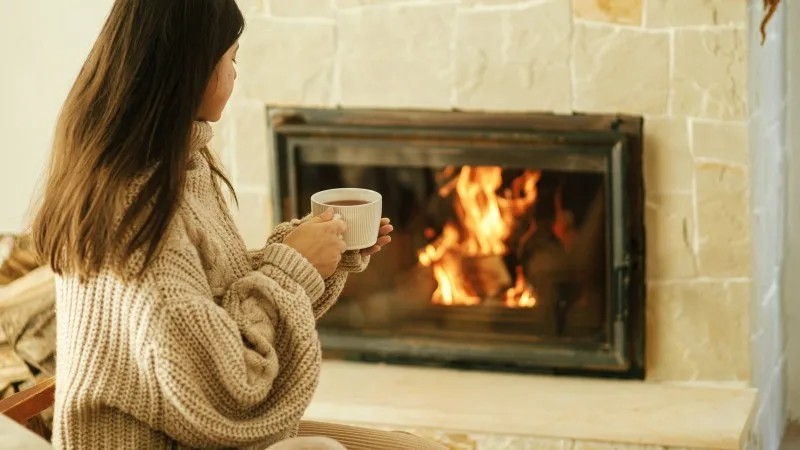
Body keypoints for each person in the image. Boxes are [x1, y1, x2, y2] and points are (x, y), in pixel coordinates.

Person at [30, 1, 443, 449]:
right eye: (232, 57)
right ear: (192, 69)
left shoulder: (174, 164)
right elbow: (228, 394)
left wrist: (315, 257)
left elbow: (212, 300)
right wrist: (291, 267)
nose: (235, 73)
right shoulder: (135, 212)